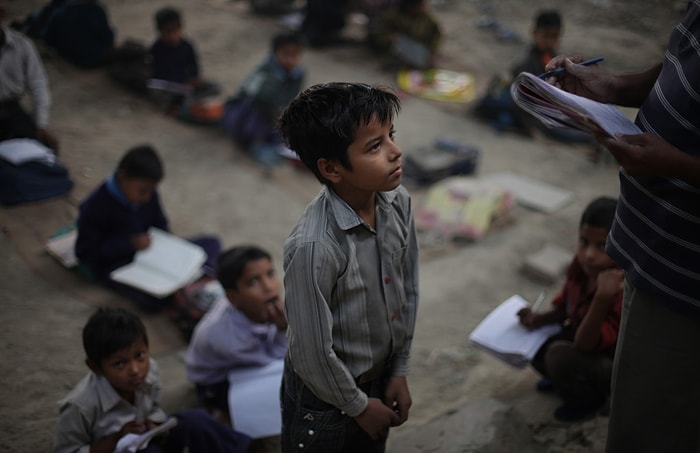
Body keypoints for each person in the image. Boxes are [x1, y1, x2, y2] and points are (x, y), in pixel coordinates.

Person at [543, 2, 700, 450]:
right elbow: (682, 62)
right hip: (651, 254)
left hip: (686, 283)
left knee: (653, 429)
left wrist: (675, 164)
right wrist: (613, 85)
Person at [277, 82, 419, 452]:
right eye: (375, 146)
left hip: (378, 380)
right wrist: (357, 406)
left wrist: (399, 369)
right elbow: (310, 352)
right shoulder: (315, 247)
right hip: (323, 404)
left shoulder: (397, 202)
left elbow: (407, 289)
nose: (395, 151)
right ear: (331, 168)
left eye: (391, 136)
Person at [53, 307, 251, 453]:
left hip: (147, 438)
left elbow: (154, 410)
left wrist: (153, 426)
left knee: (196, 421)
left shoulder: (151, 371)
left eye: (140, 356)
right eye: (119, 364)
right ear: (95, 367)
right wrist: (117, 438)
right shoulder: (80, 406)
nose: (135, 370)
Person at [74, 145, 221, 311]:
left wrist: (169, 244)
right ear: (122, 177)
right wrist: (129, 245)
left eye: (152, 191)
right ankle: (190, 285)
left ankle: (187, 283)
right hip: (122, 265)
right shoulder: (96, 206)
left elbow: (160, 223)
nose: (147, 197)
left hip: (152, 252)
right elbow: (85, 253)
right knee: (152, 300)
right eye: (143, 191)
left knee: (212, 243)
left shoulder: (148, 195)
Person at [517, 197, 624, 422]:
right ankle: (562, 381)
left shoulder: (619, 287)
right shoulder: (580, 266)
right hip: (579, 343)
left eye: (602, 246)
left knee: (557, 354)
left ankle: (589, 400)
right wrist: (536, 319)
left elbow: (585, 344)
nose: (589, 254)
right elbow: (564, 308)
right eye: (584, 242)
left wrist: (602, 298)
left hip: (607, 364)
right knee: (532, 344)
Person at [185, 245, 287, 416]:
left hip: (247, 359)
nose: (269, 287)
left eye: (270, 274)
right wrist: (283, 330)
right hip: (216, 382)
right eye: (253, 282)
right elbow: (274, 362)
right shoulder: (227, 336)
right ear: (233, 297)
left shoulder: (256, 306)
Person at [221, 32, 304, 170]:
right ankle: (255, 143)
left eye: (295, 55)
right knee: (252, 111)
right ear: (275, 53)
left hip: (277, 115)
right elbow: (257, 98)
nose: (291, 60)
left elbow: (292, 98)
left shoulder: (297, 73)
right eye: (286, 54)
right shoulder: (264, 72)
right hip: (251, 116)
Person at [0, 7, 59, 151]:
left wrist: (40, 123)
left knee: (45, 148)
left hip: (11, 109)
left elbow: (38, 83)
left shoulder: (22, 45)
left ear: (1, 15)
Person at [149, 7, 219, 109]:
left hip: (185, 87)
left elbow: (194, 67)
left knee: (215, 87)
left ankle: (185, 101)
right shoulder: (156, 48)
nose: (172, 36)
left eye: (175, 31)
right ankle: (182, 103)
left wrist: (194, 79)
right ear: (160, 31)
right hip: (168, 86)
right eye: (168, 32)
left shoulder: (187, 46)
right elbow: (158, 73)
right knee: (155, 87)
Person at [41, 0, 116, 68]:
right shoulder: (96, 10)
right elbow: (108, 39)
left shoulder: (61, 10)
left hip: (67, 56)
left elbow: (48, 37)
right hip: (90, 59)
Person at [369, 0, 441, 69]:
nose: (424, 7)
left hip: (419, 48)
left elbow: (436, 35)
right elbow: (381, 32)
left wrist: (432, 52)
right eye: (421, 5)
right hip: (397, 46)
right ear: (412, 6)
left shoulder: (426, 19)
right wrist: (391, 37)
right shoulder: (394, 15)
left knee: (423, 61)